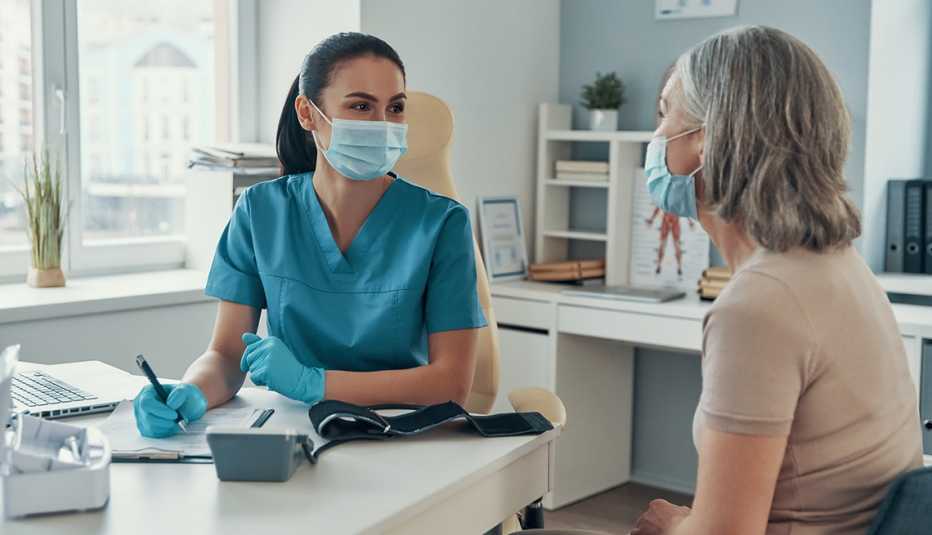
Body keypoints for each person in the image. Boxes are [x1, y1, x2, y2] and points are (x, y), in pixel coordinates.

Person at [631, 26, 922, 535]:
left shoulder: (760, 305)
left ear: (706, 137)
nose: (656, 138)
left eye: (664, 113)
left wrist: (672, 525)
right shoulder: (837, 264)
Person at [133, 32, 486, 438]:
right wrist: (189, 393)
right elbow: (227, 355)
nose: (383, 124)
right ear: (307, 113)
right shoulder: (260, 211)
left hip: (403, 432)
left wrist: (314, 383)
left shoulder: (441, 223)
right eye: (360, 106)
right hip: (296, 431)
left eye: (395, 107)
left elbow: (451, 382)